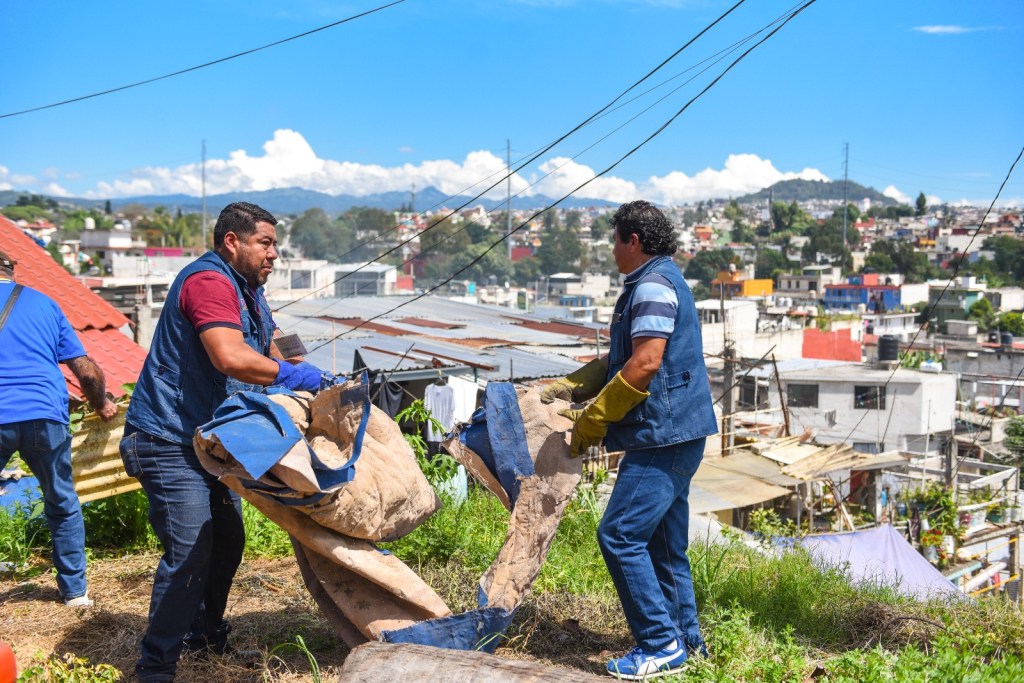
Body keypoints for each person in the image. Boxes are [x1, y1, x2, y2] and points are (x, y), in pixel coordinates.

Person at [121, 202, 331, 683]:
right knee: (192, 546)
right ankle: (155, 667)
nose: (274, 254)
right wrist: (292, 373)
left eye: (275, 244)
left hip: (209, 441)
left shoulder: (250, 291)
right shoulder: (210, 282)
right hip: (167, 438)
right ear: (231, 241)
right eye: (265, 243)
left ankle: (203, 636)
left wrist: (313, 375)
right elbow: (229, 355)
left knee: (228, 540)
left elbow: (275, 344)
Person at [544, 201, 717, 680]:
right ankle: (687, 641)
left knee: (619, 535)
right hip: (678, 432)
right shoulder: (655, 281)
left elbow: (645, 364)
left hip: (662, 435)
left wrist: (594, 418)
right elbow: (622, 357)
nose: (612, 250)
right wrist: (577, 384)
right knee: (663, 544)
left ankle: (660, 645)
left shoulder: (653, 287)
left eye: (615, 240)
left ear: (633, 241)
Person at [0, 250, 118, 608]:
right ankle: (75, 593)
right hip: (45, 415)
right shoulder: (44, 304)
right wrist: (101, 404)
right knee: (62, 500)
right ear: (11, 271)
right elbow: (85, 370)